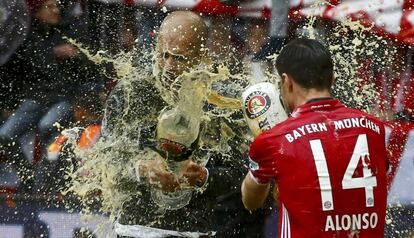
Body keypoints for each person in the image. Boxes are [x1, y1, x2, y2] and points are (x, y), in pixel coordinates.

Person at [102, 11, 267, 237]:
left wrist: (204, 176)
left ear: (201, 57)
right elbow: (104, 161)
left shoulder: (222, 100)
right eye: (163, 55)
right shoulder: (130, 93)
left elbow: (249, 173)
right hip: (135, 228)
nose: (169, 65)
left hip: (195, 230)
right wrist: (141, 170)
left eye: (179, 58)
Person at [241, 38, 388, 237]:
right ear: (333, 78)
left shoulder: (273, 140)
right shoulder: (375, 128)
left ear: (286, 81)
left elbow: (251, 201)